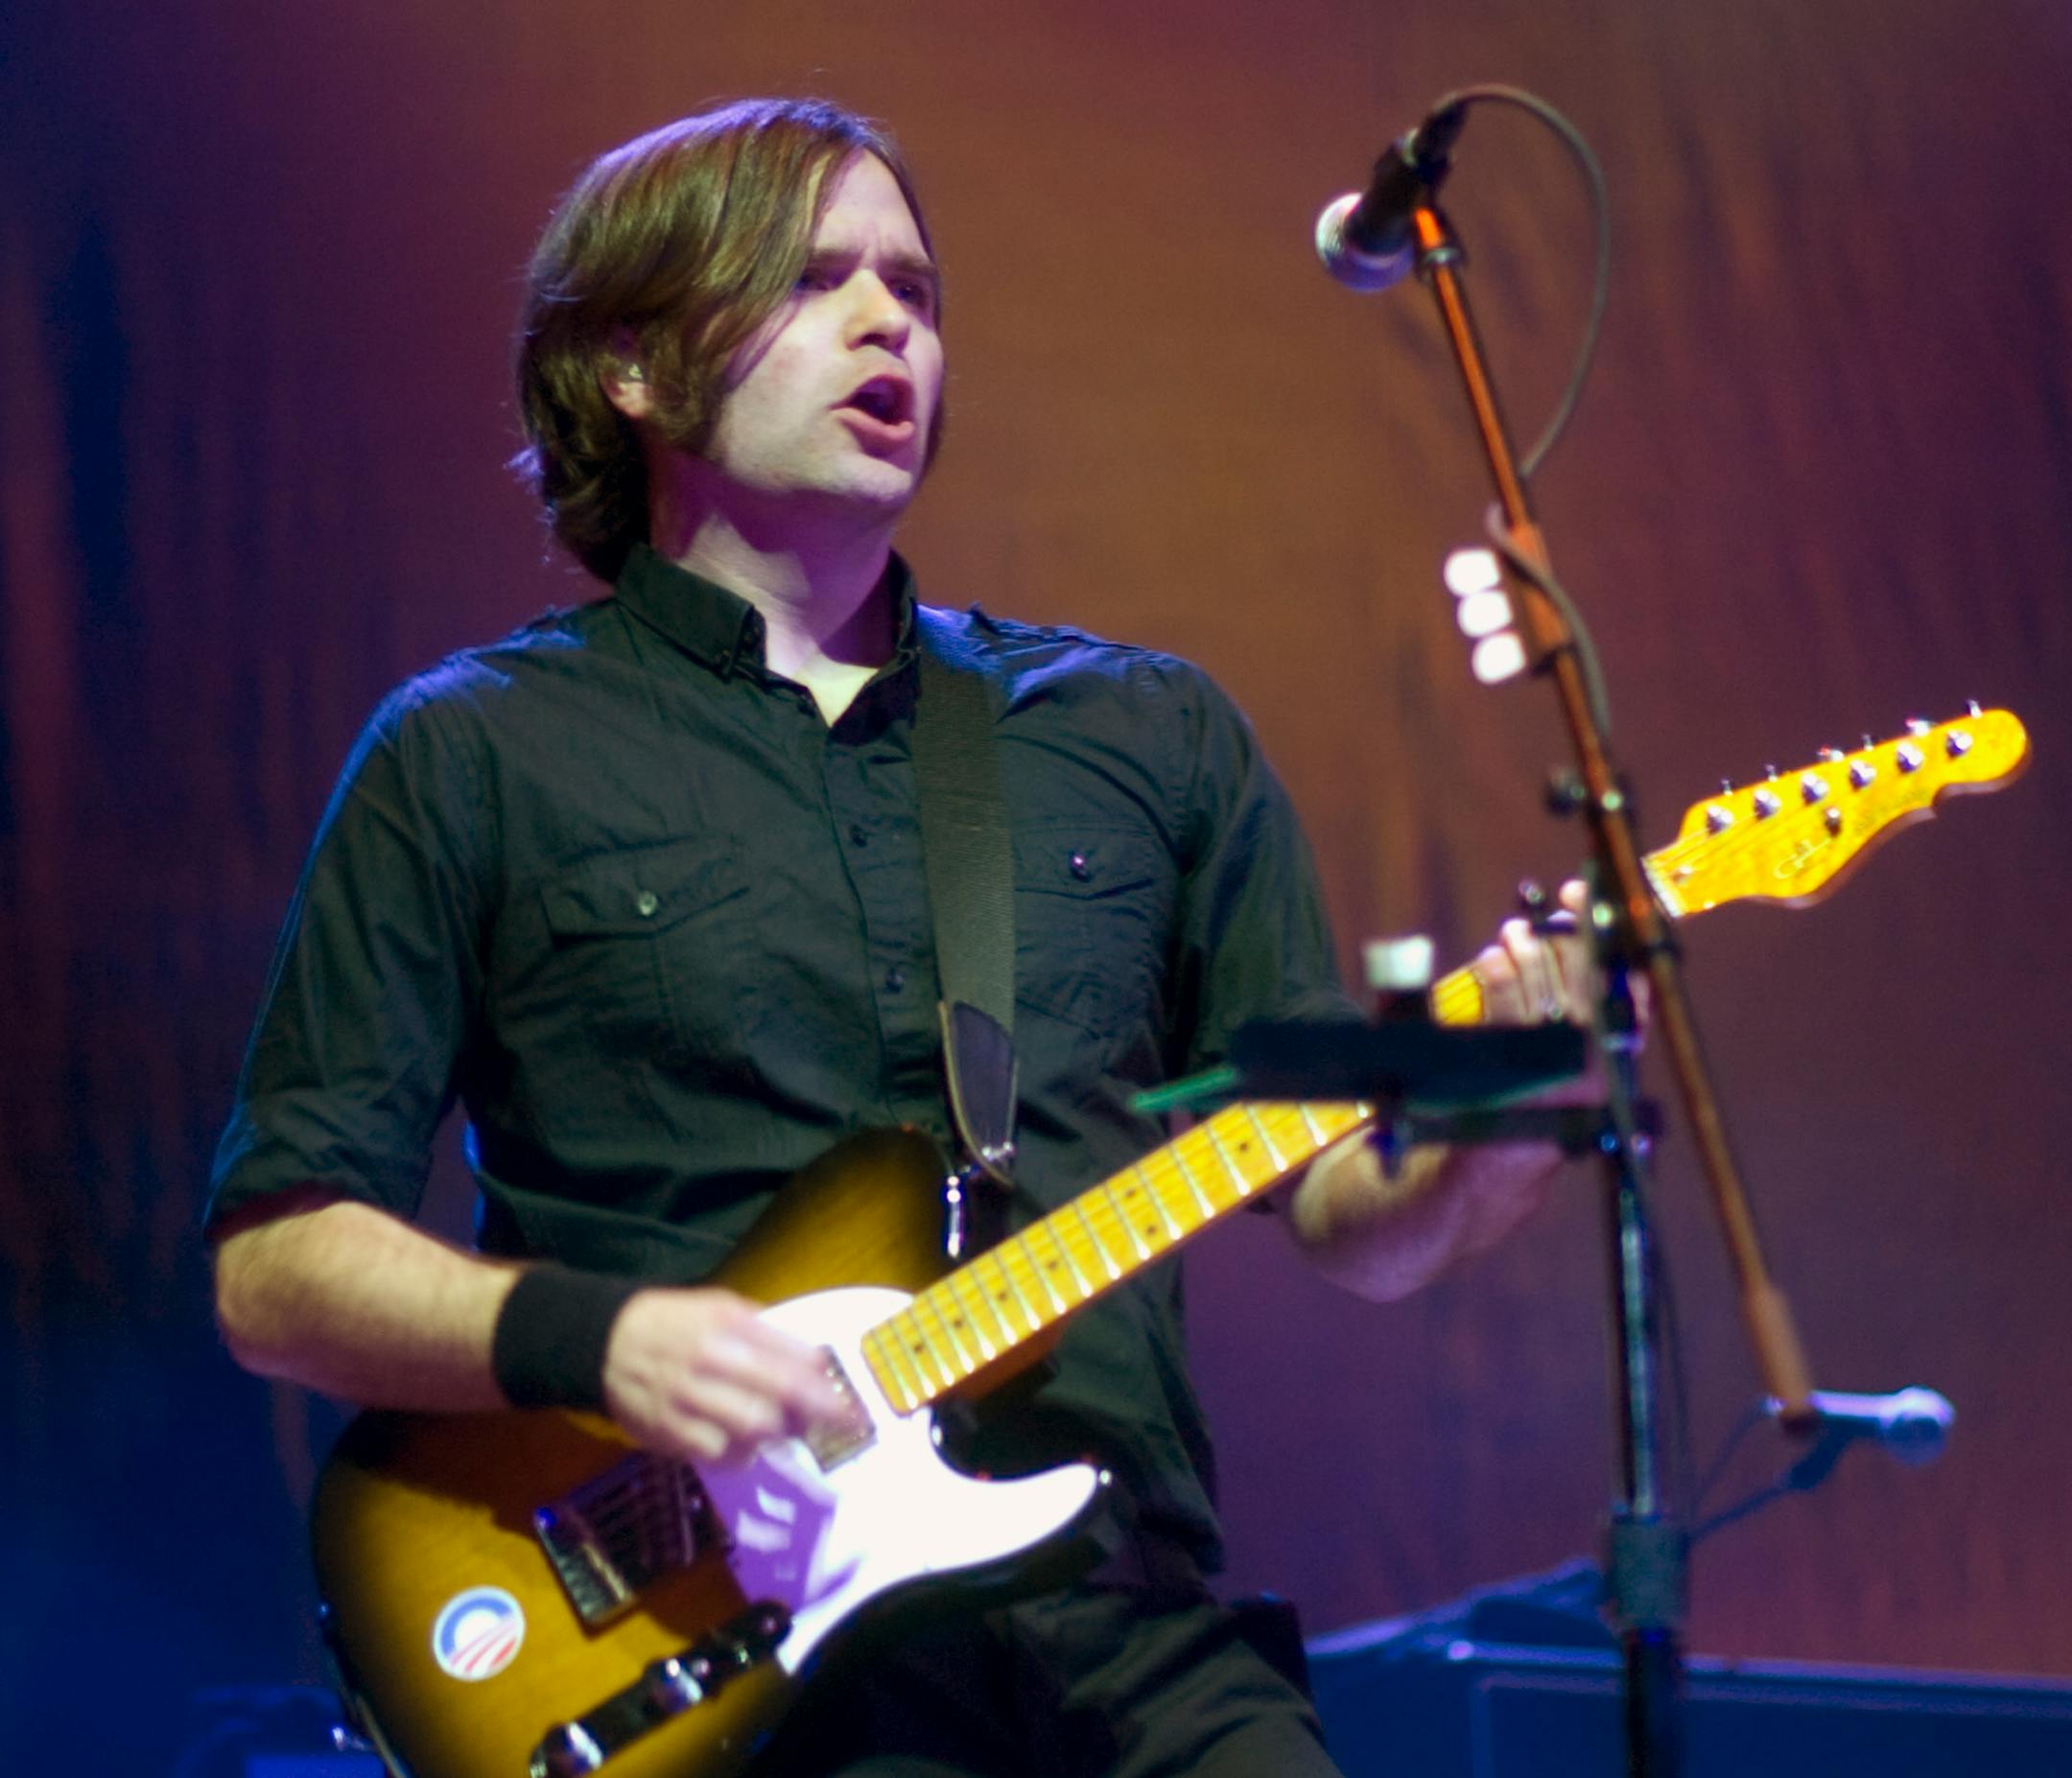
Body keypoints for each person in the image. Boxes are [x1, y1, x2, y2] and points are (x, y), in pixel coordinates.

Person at [206, 98, 1598, 1777]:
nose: (891, 326)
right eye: (813, 281)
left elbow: (1350, 1217)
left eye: (918, 292)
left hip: (1126, 1632)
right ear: (632, 369)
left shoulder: (1145, 730)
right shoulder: (472, 753)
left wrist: (1513, 1110)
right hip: (726, 1660)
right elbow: (276, 1264)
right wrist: (609, 1337)